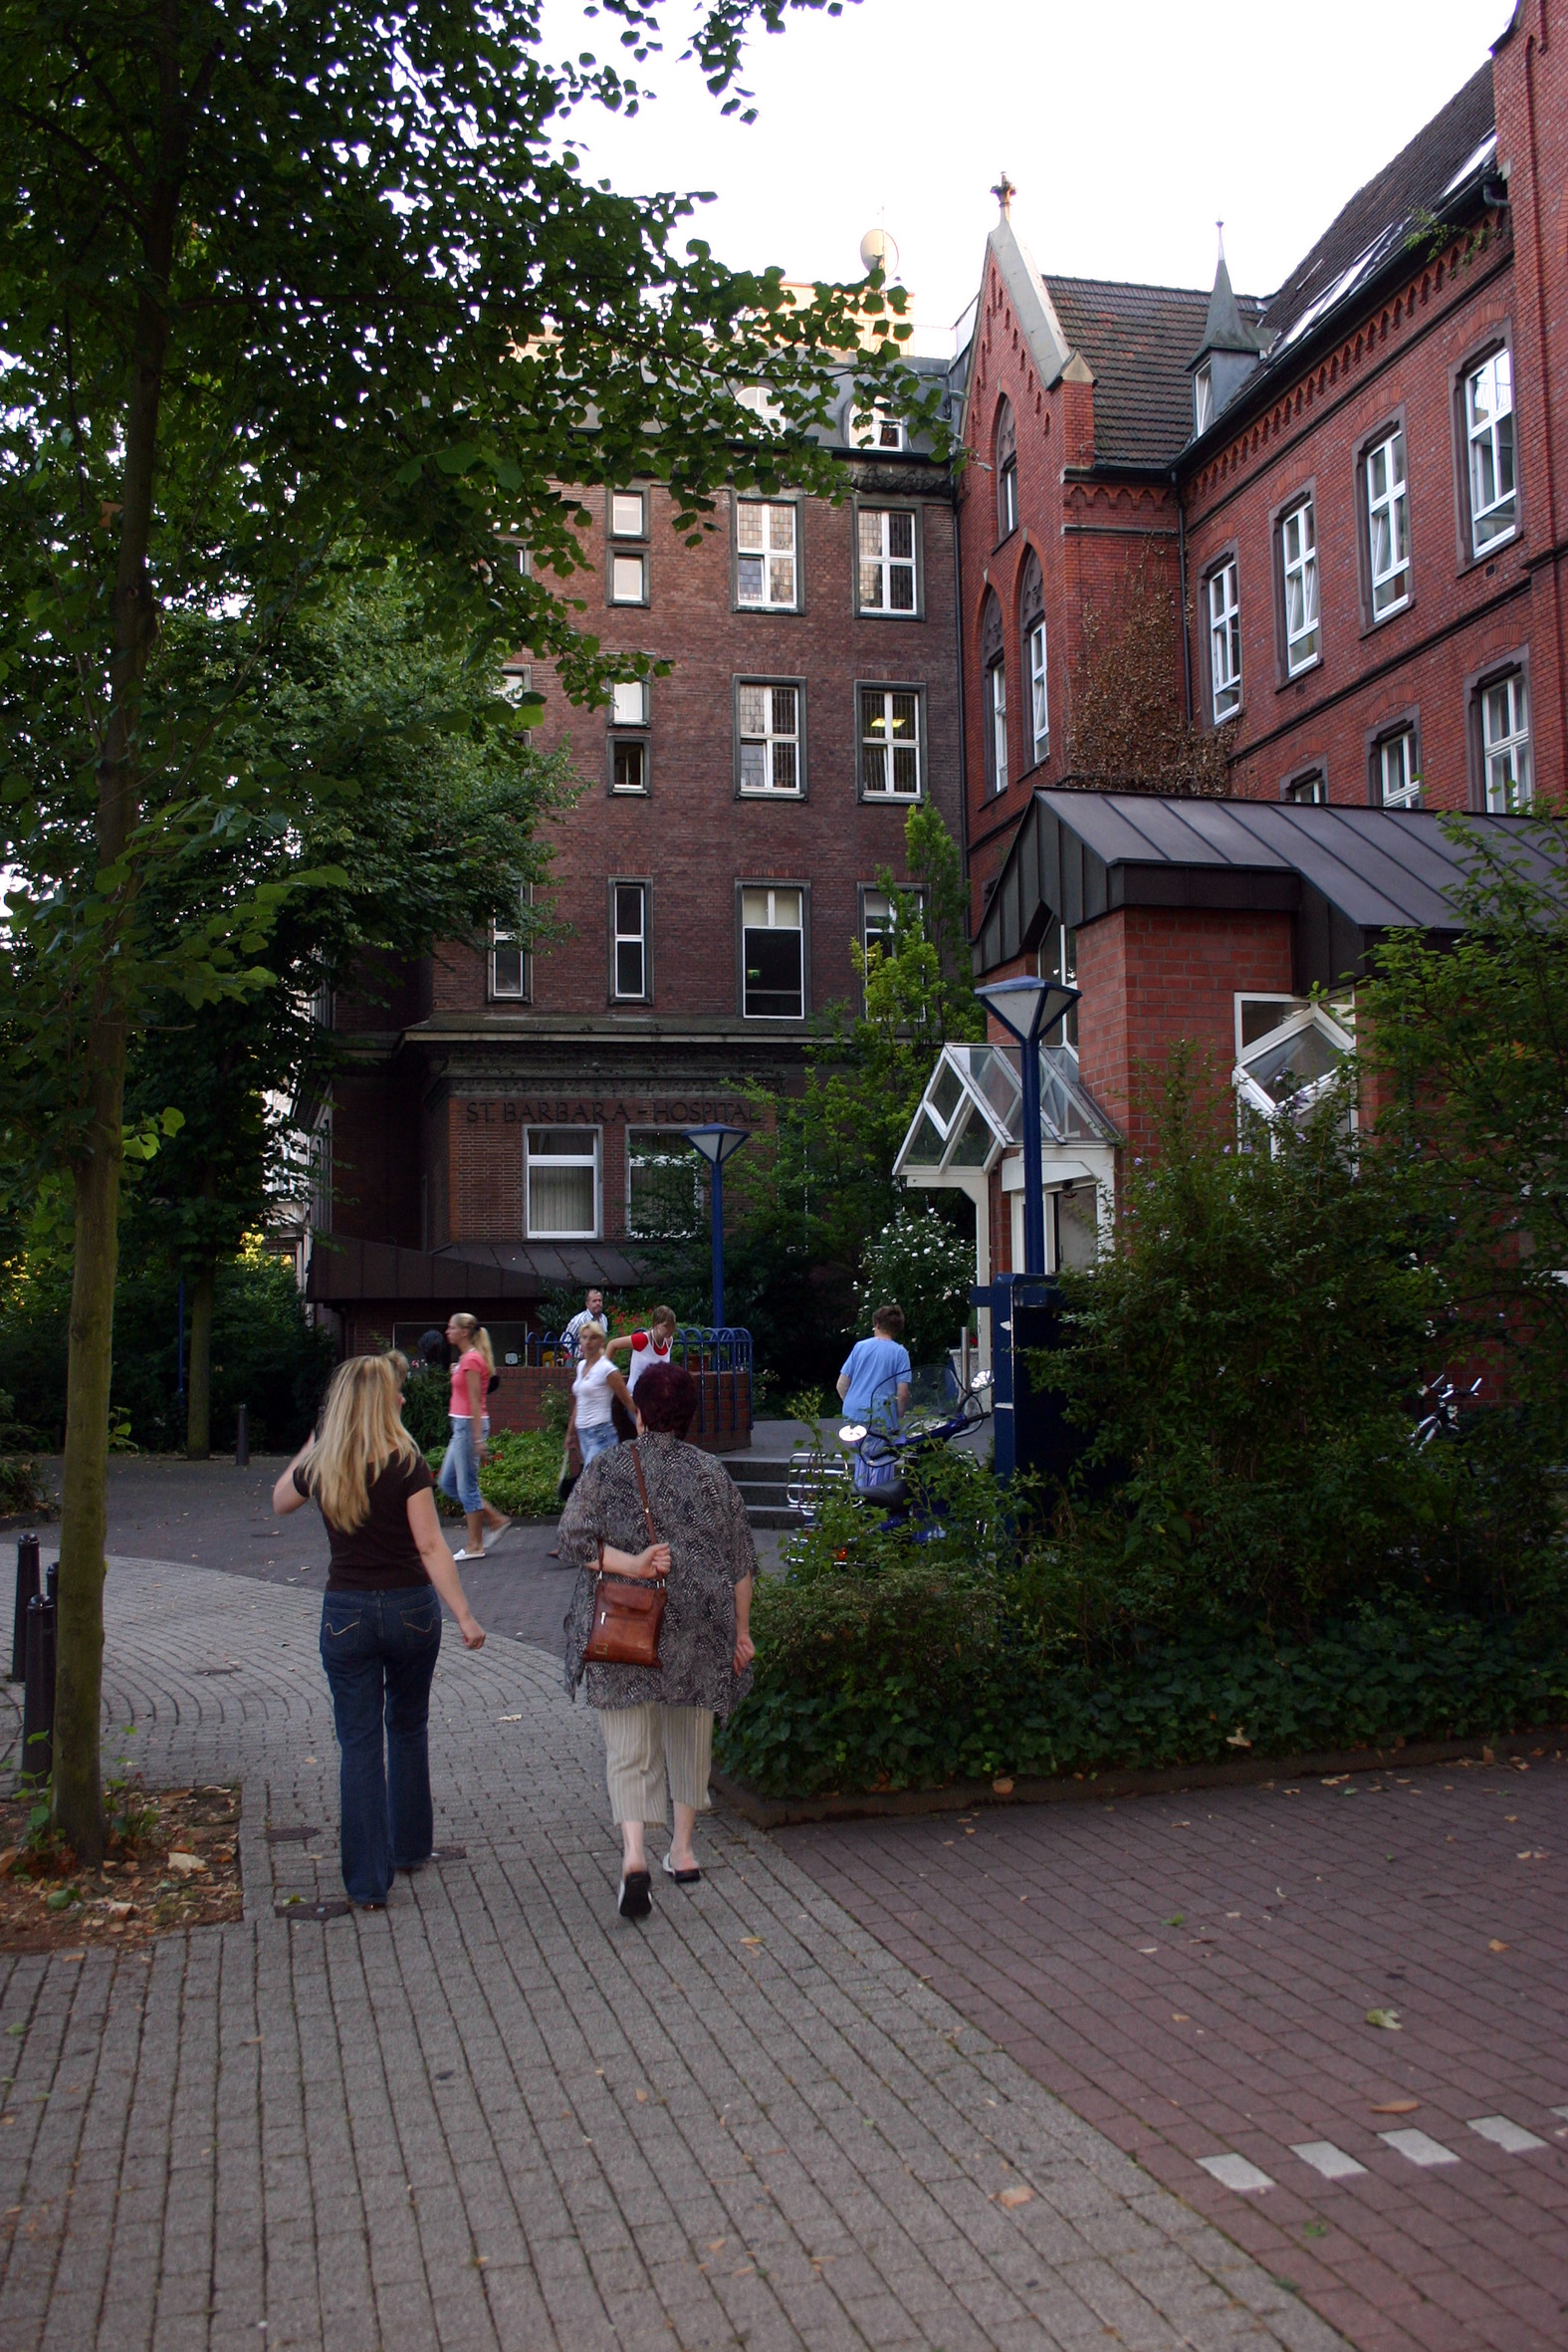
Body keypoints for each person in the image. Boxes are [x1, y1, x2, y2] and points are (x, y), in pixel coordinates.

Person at [273, 1354, 486, 1909]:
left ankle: (367, 1885)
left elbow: (279, 1501)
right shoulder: (405, 1461)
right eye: (396, 1391)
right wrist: (463, 1614)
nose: (404, 1399)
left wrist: (316, 1439)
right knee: (408, 1725)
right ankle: (411, 1847)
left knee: (360, 1745)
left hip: (346, 1614)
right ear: (380, 1400)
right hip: (412, 1610)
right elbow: (431, 1545)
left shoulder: (325, 1465)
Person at [560, 1363, 755, 1919]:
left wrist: (632, 1565)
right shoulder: (713, 1474)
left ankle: (633, 1858)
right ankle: (684, 1850)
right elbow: (741, 1561)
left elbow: (573, 1539)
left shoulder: (609, 1466)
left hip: (624, 1622)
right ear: (689, 1418)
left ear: (638, 1412)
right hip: (698, 1624)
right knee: (690, 1731)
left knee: (629, 1746)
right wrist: (741, 1634)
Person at [437, 1312, 511, 1560]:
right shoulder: (466, 1360)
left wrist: (478, 1439)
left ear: (464, 1332)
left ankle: (474, 1545)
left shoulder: (471, 1361)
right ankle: (494, 1518)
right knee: (447, 1482)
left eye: (451, 1328)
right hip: (461, 1426)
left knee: (466, 1486)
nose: (448, 1331)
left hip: (469, 1427)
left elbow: (476, 1402)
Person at [836, 1302, 913, 1489]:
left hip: (854, 1413)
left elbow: (841, 1385)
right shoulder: (899, 1353)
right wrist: (899, 1414)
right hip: (882, 1415)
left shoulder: (860, 1347)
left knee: (862, 1457)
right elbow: (902, 1393)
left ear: (877, 1323)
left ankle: (860, 1498)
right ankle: (876, 1503)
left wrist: (854, 1403)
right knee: (881, 1460)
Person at [605, 1303, 677, 1440]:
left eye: (671, 1326)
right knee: (647, 1432)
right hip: (635, 1398)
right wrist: (603, 1371)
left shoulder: (669, 1341)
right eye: (666, 1326)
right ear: (656, 1324)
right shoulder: (642, 1339)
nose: (669, 1330)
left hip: (656, 1400)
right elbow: (612, 1344)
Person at [568, 1322, 634, 1469]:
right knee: (600, 1484)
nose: (587, 1342)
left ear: (601, 1341)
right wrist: (570, 1433)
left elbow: (626, 1400)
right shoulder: (581, 1366)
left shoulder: (607, 1369)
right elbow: (579, 1402)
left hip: (601, 1434)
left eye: (593, 1338)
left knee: (590, 1481)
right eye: (584, 1338)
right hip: (583, 1433)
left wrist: (641, 1421)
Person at [560, 1289, 607, 1357]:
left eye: (600, 1300)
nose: (598, 1303)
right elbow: (565, 1343)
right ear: (587, 1304)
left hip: (599, 1360)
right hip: (579, 1361)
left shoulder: (604, 1318)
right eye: (594, 1301)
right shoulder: (578, 1321)